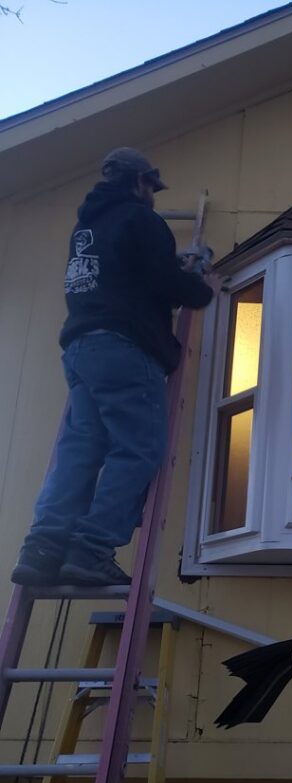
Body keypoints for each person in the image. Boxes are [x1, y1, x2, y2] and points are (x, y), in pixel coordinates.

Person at [11, 147, 218, 589]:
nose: (154, 197)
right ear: (138, 182)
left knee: (81, 449)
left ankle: (44, 547)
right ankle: (91, 549)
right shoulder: (141, 220)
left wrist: (170, 272)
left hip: (82, 348)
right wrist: (196, 285)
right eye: (151, 187)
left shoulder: (87, 227)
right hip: (125, 348)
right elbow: (165, 284)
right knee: (138, 447)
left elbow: (129, 277)